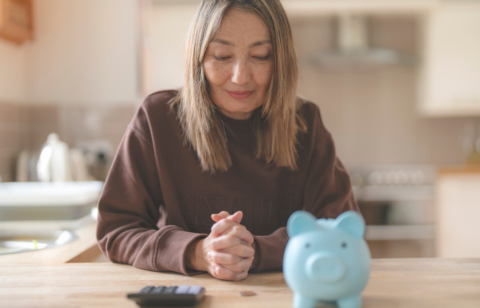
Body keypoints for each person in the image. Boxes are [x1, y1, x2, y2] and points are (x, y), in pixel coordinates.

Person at [96, 0, 359, 282]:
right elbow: (117, 229)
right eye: (222, 56)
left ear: (280, 60)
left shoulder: (306, 123)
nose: (240, 77)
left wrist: (255, 251)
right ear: (198, 57)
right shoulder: (157, 118)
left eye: (260, 56)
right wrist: (199, 251)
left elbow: (342, 231)